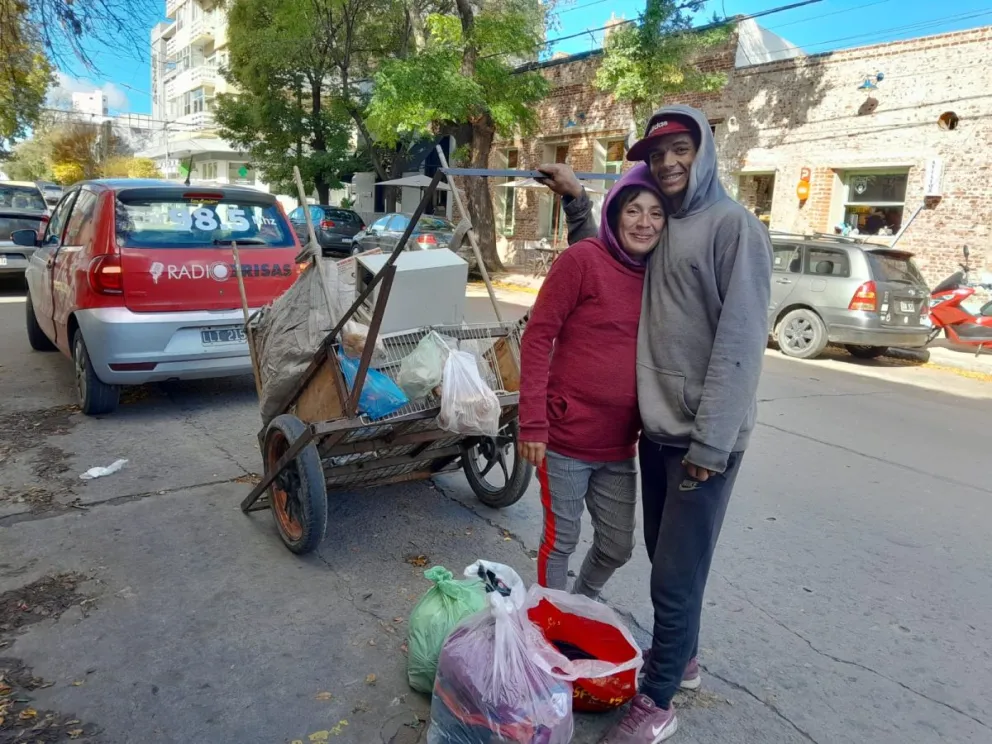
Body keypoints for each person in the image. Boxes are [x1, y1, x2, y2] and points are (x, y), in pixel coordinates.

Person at [538, 104, 773, 742]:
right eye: (658, 152)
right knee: (666, 557)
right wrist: (575, 205)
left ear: (706, 152)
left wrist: (712, 442)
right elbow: (612, 247)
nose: (669, 161)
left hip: (703, 441)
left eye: (682, 148)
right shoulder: (668, 223)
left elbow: (741, 343)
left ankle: (659, 696)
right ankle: (684, 659)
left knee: (674, 572)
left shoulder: (734, 228)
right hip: (658, 432)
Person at [518, 168, 665, 600]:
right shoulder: (583, 260)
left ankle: (578, 606)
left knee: (618, 546)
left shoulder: (660, 276)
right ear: (616, 213)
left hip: (619, 445)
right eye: (634, 210)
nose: (644, 222)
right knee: (560, 540)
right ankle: (546, 624)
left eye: (656, 213)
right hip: (564, 438)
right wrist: (532, 424)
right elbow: (537, 337)